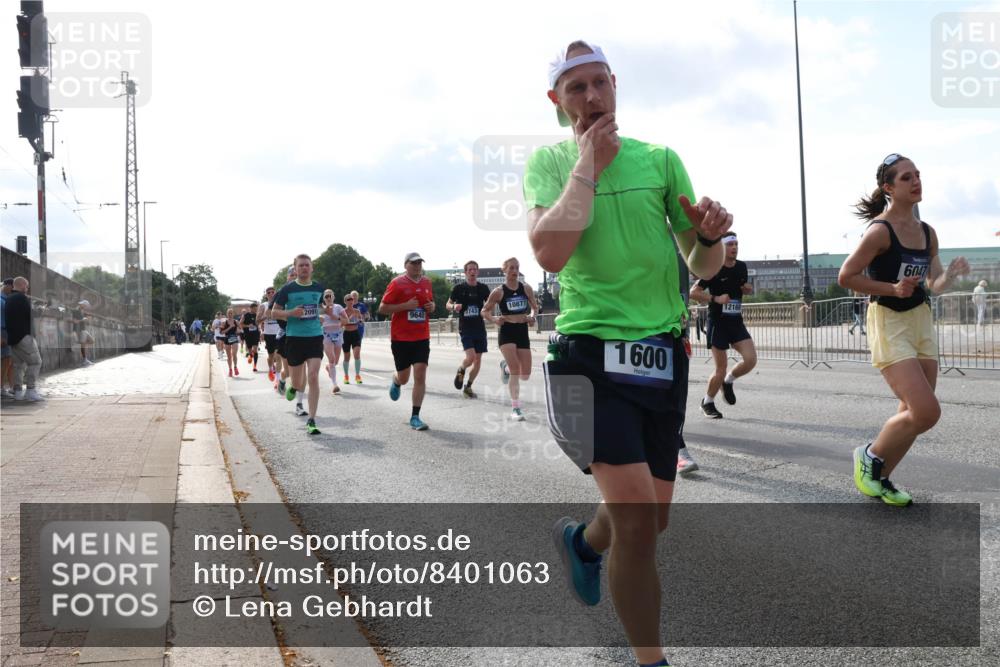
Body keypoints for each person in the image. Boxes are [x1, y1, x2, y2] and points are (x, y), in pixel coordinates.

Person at [525, 40, 732, 667]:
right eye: (575, 88)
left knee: (651, 520)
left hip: (661, 355)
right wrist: (587, 164)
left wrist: (710, 238)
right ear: (557, 101)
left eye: (599, 83)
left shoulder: (662, 160)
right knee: (639, 519)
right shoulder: (549, 162)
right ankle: (652, 660)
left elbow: (700, 262)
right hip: (586, 356)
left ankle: (585, 545)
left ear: (615, 84)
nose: (590, 97)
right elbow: (549, 254)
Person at [839, 152, 969, 506]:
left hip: (921, 320)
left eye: (918, 175)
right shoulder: (879, 232)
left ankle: (881, 477)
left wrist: (952, 274)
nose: (916, 182)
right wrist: (891, 289)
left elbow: (934, 283)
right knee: (926, 411)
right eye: (906, 178)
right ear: (888, 188)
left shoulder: (928, 233)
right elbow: (847, 277)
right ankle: (868, 455)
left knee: (911, 411)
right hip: (889, 322)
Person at [689, 232, 757, 419]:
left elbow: (741, 286)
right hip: (718, 323)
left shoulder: (742, 267)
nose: (734, 247)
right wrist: (715, 298)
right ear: (722, 247)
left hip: (736, 322)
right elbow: (693, 292)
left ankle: (728, 382)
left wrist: (746, 289)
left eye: (736, 244)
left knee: (751, 360)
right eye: (730, 244)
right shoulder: (713, 268)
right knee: (720, 368)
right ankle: (707, 402)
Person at [379, 252, 435, 430]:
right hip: (401, 338)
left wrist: (432, 307)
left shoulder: (427, 282)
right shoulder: (397, 283)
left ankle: (415, 416)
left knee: (420, 374)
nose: (417, 266)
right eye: (414, 263)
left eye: (419, 263)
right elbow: (382, 308)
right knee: (404, 378)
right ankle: (396, 380)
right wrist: (405, 306)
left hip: (421, 337)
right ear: (406, 265)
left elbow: (431, 303)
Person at [271, 254, 325, 435]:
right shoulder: (287, 289)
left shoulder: (319, 288)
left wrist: (326, 314)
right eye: (300, 265)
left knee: (313, 376)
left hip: (315, 336)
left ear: (312, 268)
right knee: (298, 380)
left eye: (306, 265)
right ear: (295, 268)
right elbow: (274, 313)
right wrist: (291, 312)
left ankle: (312, 419)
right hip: (294, 338)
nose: (303, 268)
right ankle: (293, 387)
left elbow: (323, 306)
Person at [484, 257, 538, 420]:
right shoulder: (499, 291)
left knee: (525, 374)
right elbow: (484, 311)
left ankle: (505, 368)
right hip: (506, 331)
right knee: (516, 370)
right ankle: (516, 409)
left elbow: (535, 307)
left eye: (517, 268)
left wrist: (531, 317)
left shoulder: (526, 288)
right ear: (505, 270)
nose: (515, 271)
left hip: (522, 330)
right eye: (511, 268)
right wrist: (494, 319)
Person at [447, 260, 492, 398]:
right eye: (469, 270)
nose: (472, 272)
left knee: (478, 361)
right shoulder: (459, 288)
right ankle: (462, 369)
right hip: (465, 328)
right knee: (471, 357)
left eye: (474, 269)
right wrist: (454, 307)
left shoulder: (483, 288)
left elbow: (490, 304)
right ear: (465, 272)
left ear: (477, 272)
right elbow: (448, 304)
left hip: (479, 328)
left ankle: (468, 387)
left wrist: (490, 312)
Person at [6, 277, 45, 402]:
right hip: (24, 337)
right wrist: (40, 310)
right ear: (22, 285)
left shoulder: (9, 299)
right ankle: (30, 390)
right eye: (27, 287)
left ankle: (17, 391)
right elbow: (31, 314)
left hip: (12, 338)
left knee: (18, 365)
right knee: (35, 362)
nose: (27, 289)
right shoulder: (22, 298)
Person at [320, 289, 349, 393]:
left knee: (335, 362)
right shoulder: (321, 308)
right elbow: (316, 321)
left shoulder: (338, 307)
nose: (328, 298)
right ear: (323, 298)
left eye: (330, 296)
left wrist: (334, 316)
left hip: (338, 334)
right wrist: (319, 319)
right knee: (332, 359)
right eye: (326, 296)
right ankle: (335, 384)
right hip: (326, 335)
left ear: (333, 297)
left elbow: (346, 321)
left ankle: (329, 368)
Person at [341, 293, 364, 384]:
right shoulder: (342, 311)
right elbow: (342, 324)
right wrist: (349, 318)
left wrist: (360, 321)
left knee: (357, 354)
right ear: (345, 302)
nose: (351, 301)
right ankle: (346, 376)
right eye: (348, 300)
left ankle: (357, 375)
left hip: (355, 334)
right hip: (346, 334)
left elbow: (361, 321)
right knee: (347, 357)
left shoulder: (357, 311)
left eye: (352, 299)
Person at [259, 288, 281, 381]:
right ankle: (270, 369)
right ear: (266, 295)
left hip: (279, 332)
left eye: (273, 292)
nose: (271, 294)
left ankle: (278, 379)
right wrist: (265, 316)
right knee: (271, 356)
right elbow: (257, 320)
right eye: (269, 293)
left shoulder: (280, 303)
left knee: (278, 355)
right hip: (268, 333)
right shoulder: (263, 306)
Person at [70, 300, 96, 365]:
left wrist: (86, 319)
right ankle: (85, 360)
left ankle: (81, 345)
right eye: (85, 305)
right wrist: (83, 320)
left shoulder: (82, 311)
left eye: (86, 306)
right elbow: (75, 321)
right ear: (81, 305)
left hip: (83, 330)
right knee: (84, 344)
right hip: (79, 330)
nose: (85, 307)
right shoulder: (76, 311)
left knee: (92, 341)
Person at [1, 278, 13, 399]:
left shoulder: (6, 299)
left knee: (8, 360)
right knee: (5, 360)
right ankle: (1, 387)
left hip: (6, 331)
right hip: (2, 331)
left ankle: (8, 386)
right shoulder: (1, 300)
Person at [241, 303, 262, 372]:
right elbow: (241, 324)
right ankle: (250, 355)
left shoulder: (257, 315)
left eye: (257, 308)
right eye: (255, 308)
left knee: (255, 350)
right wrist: (248, 326)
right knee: (250, 350)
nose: (256, 310)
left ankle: (255, 366)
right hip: (248, 335)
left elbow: (260, 323)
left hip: (255, 334)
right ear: (251, 308)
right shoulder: (246, 315)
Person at [220, 309, 241, 376]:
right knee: (229, 356)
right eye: (229, 313)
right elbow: (222, 332)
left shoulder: (236, 321)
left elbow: (241, 329)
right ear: (227, 314)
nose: (230, 314)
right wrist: (230, 327)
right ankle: (230, 369)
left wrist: (238, 330)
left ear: (233, 314)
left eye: (231, 313)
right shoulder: (224, 322)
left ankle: (235, 367)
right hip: (227, 339)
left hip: (234, 338)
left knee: (234, 353)